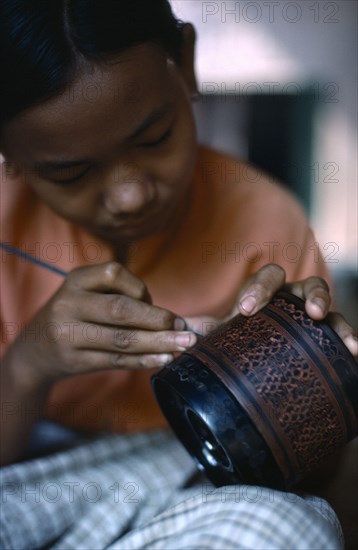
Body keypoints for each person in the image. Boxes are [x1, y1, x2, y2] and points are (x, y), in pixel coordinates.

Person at [0, 1, 356, 548]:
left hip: (192, 494)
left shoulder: (264, 220)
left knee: (294, 530)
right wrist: (29, 364)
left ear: (186, 62)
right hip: (34, 478)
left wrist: (301, 376)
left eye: (154, 139)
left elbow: (309, 482)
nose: (130, 195)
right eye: (70, 173)